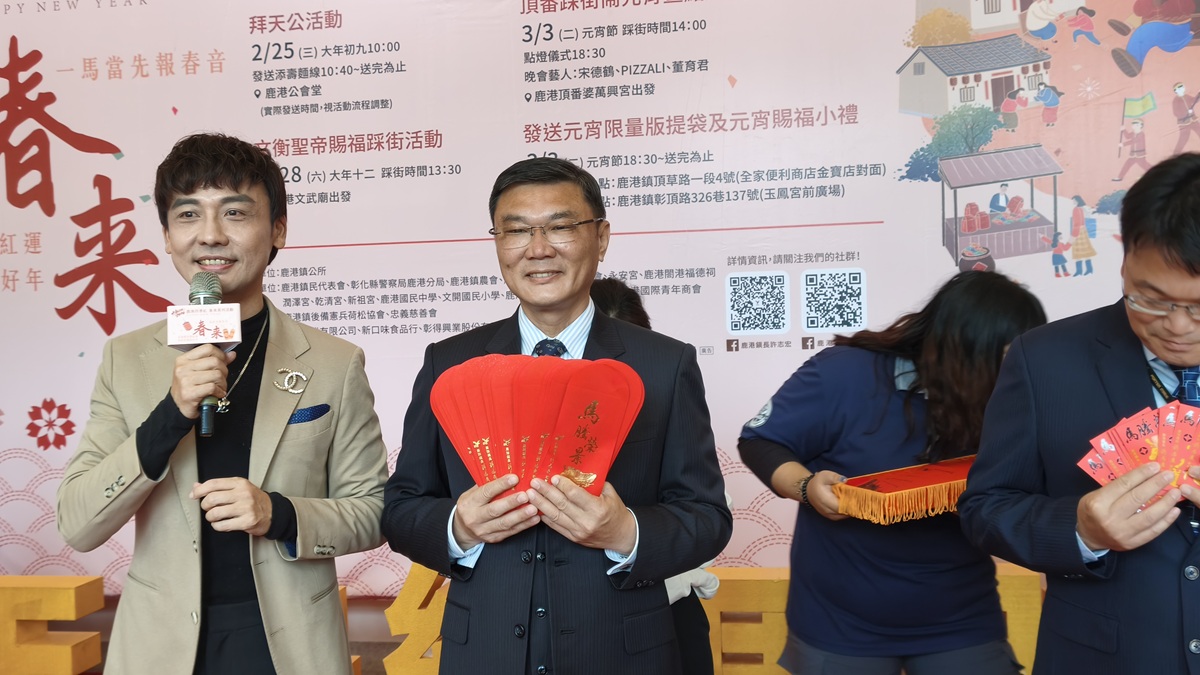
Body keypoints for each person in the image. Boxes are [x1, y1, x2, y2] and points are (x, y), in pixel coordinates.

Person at [381, 157, 732, 675]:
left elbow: (707, 517)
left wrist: (626, 531)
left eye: (560, 227)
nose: (538, 248)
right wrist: (459, 526)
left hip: (620, 655)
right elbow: (401, 508)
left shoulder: (665, 364)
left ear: (601, 238)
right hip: (485, 654)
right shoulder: (448, 364)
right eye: (516, 230)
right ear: (497, 242)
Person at [55, 133, 389, 675]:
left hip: (289, 646)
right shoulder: (127, 359)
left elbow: (373, 511)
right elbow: (78, 523)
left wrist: (278, 513)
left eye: (235, 212)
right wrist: (170, 413)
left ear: (277, 229)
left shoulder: (335, 363)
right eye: (188, 214)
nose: (210, 234)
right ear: (168, 237)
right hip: (160, 648)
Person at [959, 153, 1200, 672]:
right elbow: (986, 508)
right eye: (1150, 299)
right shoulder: (1044, 359)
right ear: (1125, 257)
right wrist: (1080, 531)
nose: (1178, 327)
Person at [738, 271, 1046, 675]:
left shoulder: (1010, 399)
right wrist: (807, 486)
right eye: (1005, 358)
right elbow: (761, 441)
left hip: (961, 620)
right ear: (964, 348)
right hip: (839, 623)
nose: (1016, 371)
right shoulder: (844, 374)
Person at [590, 276, 720, 675]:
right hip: (574, 620)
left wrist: (629, 531)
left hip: (666, 612)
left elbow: (707, 516)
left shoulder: (669, 393)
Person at [1115, 118, 1152, 182]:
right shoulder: (1133, 133)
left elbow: (1134, 141)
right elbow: (1127, 136)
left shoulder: (1141, 134)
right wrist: (1124, 130)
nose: (1134, 126)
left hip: (1140, 155)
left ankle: (1156, 173)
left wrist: (1123, 144)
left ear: (1141, 126)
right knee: (1127, 165)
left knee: (1145, 166)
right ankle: (1120, 177)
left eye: (1137, 125)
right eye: (1133, 125)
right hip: (1133, 155)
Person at [1069, 194, 1097, 276]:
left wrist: (1074, 233)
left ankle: (1080, 271)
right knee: (1084, 250)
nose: (1073, 202)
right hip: (1083, 230)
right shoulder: (1081, 209)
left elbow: (1077, 222)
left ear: (1077, 201)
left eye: (1074, 200)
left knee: (1078, 251)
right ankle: (1088, 269)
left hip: (1078, 231)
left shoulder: (1076, 209)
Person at [1174, 82, 1200, 155]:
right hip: (1184, 123)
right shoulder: (1176, 100)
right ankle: (1176, 154)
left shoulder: (1187, 96)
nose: (1182, 89)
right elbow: (1176, 113)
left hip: (1193, 120)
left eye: (1182, 87)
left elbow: (1194, 101)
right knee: (1183, 139)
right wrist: (1186, 113)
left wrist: (1198, 95)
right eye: (1179, 88)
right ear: (1176, 91)